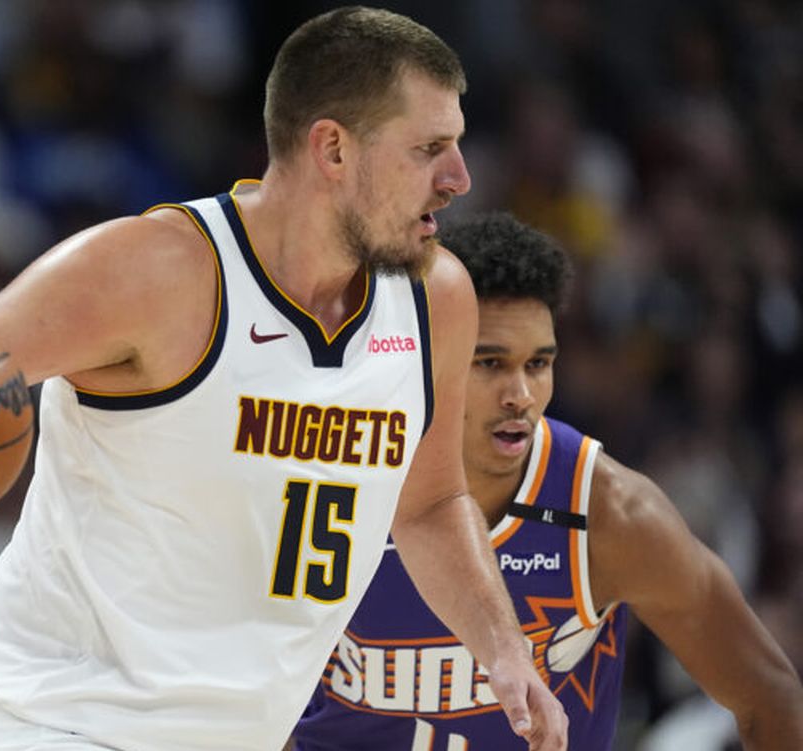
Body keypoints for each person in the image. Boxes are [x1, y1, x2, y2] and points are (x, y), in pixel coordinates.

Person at [0, 8, 568, 751]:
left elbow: (428, 503)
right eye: (429, 149)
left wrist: (503, 648)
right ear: (333, 150)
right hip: (46, 722)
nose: (460, 177)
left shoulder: (436, 299)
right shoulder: (156, 272)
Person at [290, 212, 803, 750]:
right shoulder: (335, 483)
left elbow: (769, 694)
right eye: (489, 363)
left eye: (537, 364)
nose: (520, 395)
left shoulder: (607, 514)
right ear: (429, 358)